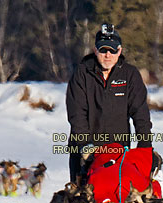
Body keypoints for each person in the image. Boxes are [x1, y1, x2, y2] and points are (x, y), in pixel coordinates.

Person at [65, 23, 153, 183]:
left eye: (112, 50)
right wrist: (86, 145)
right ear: (95, 50)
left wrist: (145, 146)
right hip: (85, 150)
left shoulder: (130, 75)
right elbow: (77, 114)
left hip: (118, 150)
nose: (108, 55)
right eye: (103, 49)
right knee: (82, 201)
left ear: (119, 50)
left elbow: (140, 113)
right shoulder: (82, 74)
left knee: (117, 198)